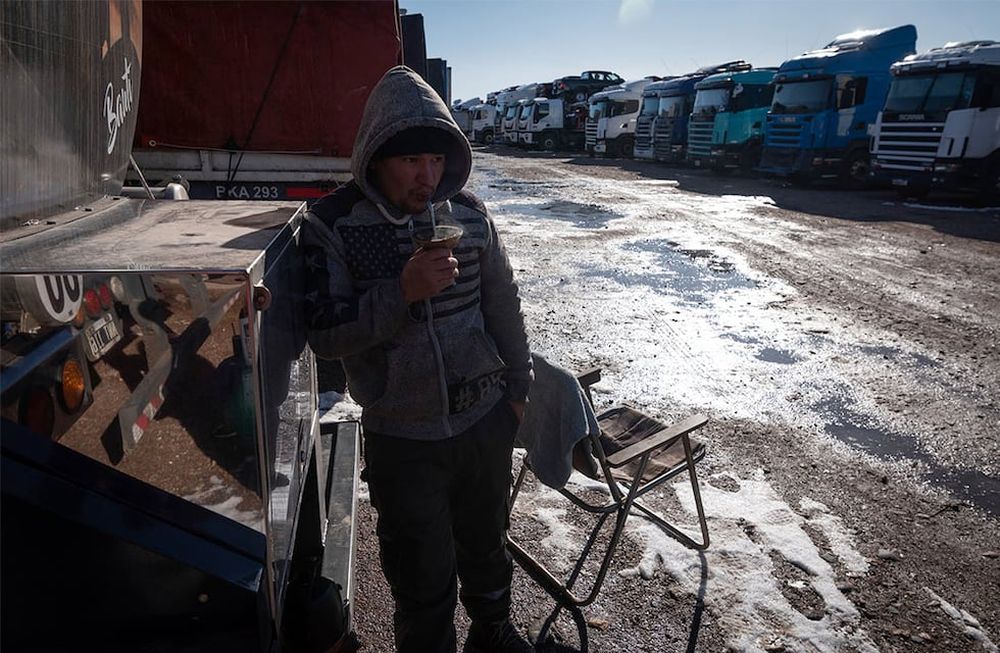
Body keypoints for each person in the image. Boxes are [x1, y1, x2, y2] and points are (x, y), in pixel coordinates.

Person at [302, 66, 534, 653]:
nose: (426, 176)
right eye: (411, 161)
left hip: (483, 419)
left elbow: (502, 301)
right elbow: (326, 335)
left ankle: (493, 632)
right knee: (421, 572)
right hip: (402, 436)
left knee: (487, 543)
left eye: (435, 159)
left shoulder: (471, 214)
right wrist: (402, 292)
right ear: (378, 155)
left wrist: (518, 387)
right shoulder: (334, 224)